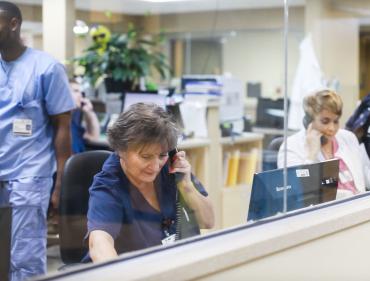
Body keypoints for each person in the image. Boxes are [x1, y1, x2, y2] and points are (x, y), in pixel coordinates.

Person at [0, 2, 75, 280]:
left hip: (29, 175)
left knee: (25, 257)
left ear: (14, 24)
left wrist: (61, 182)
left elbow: (63, 127)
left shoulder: (46, 68)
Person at [86, 103, 214, 263]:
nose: (155, 166)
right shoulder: (109, 185)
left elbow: (208, 221)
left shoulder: (173, 168)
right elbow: (99, 245)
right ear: (121, 150)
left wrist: (186, 185)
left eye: (162, 155)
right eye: (145, 157)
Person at [277, 89, 370, 200]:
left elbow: (363, 172)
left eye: (336, 121)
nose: (332, 128)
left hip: (356, 207)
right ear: (308, 121)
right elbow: (297, 190)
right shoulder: (291, 147)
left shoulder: (348, 138)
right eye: (325, 121)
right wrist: (311, 155)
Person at [69, 78, 100, 153]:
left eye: (81, 92)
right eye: (76, 91)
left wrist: (89, 112)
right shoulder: (62, 124)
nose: (81, 95)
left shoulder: (73, 124)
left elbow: (94, 137)